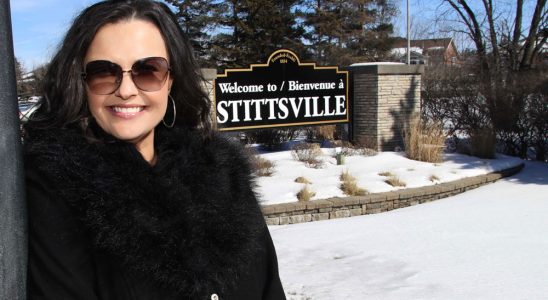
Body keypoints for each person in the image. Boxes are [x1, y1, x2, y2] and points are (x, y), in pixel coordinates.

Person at [23, 1, 286, 299]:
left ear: (171, 78)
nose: (125, 90)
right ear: (81, 82)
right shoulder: (56, 189)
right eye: (103, 72)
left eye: (148, 70)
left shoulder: (223, 175)